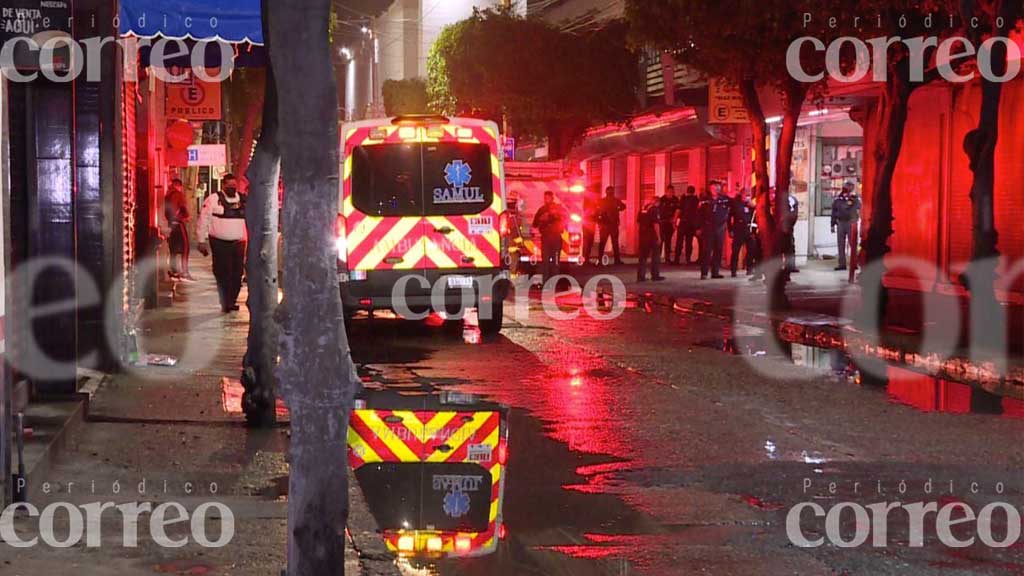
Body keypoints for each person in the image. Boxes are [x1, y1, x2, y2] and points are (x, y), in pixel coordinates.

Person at [198, 174, 248, 313]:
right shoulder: (213, 200)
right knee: (222, 273)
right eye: (229, 185)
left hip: (239, 243)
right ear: (223, 185)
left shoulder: (243, 200)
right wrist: (201, 240)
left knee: (237, 274)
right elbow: (204, 219)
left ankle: (231, 301)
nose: (232, 188)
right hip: (219, 243)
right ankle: (225, 301)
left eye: (234, 185)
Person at [532, 190, 569, 282]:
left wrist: (556, 218)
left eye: (548, 198)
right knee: (546, 262)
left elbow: (566, 220)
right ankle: (547, 282)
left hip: (555, 238)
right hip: (546, 238)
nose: (546, 200)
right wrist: (542, 219)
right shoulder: (542, 210)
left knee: (554, 262)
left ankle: (552, 282)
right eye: (545, 198)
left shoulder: (559, 209)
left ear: (552, 198)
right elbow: (535, 223)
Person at [165, 178, 195, 282]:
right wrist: (186, 217)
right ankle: (184, 272)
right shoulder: (178, 195)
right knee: (185, 248)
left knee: (173, 249)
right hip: (178, 223)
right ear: (179, 185)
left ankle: (174, 271)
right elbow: (183, 208)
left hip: (170, 225)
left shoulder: (167, 195)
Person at [700, 181, 731, 280]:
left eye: (717, 188)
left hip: (720, 228)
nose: (715, 190)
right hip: (708, 227)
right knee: (707, 250)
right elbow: (699, 215)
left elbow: (733, 205)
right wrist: (699, 227)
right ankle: (704, 273)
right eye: (713, 188)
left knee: (718, 250)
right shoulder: (705, 201)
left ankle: (715, 272)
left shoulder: (725, 200)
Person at [831, 181, 861, 271]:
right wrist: (832, 224)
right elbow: (834, 212)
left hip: (851, 222)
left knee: (853, 244)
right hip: (840, 222)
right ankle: (842, 264)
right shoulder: (838, 199)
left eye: (850, 186)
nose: (848, 188)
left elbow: (859, 208)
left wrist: (852, 199)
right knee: (841, 244)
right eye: (846, 186)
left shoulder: (855, 199)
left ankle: (854, 263)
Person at [637, 197, 665, 282]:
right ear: (657, 202)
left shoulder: (643, 209)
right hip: (651, 235)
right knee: (656, 255)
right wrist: (659, 236)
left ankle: (641, 276)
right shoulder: (655, 210)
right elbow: (656, 224)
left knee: (643, 256)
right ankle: (655, 275)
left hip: (643, 234)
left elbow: (638, 222)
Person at [597, 187, 626, 265]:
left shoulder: (603, 201)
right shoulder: (615, 200)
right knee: (614, 243)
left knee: (603, 243)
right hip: (611, 225)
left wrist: (599, 223)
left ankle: (600, 260)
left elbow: (598, 212)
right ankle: (616, 260)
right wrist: (618, 208)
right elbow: (623, 207)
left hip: (606, 225)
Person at [729, 189, 755, 277]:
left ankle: (750, 268)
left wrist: (753, 206)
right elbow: (730, 217)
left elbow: (754, 216)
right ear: (742, 194)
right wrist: (730, 230)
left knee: (751, 250)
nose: (747, 196)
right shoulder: (736, 204)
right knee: (736, 251)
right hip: (738, 230)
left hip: (749, 230)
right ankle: (733, 270)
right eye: (746, 194)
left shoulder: (751, 205)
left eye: (749, 194)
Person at [674, 185, 700, 265]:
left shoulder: (683, 198)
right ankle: (688, 260)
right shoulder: (696, 199)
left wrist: (675, 221)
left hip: (683, 223)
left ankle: (677, 260)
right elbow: (697, 212)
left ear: (687, 191)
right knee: (689, 242)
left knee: (679, 242)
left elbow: (678, 210)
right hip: (691, 223)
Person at [659, 185, 679, 264]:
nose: (671, 193)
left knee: (668, 241)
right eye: (670, 191)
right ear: (666, 191)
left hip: (670, 223)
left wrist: (674, 220)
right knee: (660, 240)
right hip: (662, 223)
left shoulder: (675, 199)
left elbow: (678, 210)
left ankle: (667, 258)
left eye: (672, 192)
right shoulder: (662, 199)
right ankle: (658, 258)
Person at [782, 191, 800, 273]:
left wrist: (789, 224)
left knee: (789, 247)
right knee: (789, 247)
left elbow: (794, 214)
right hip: (787, 226)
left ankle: (790, 266)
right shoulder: (791, 199)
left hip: (787, 226)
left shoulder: (791, 200)